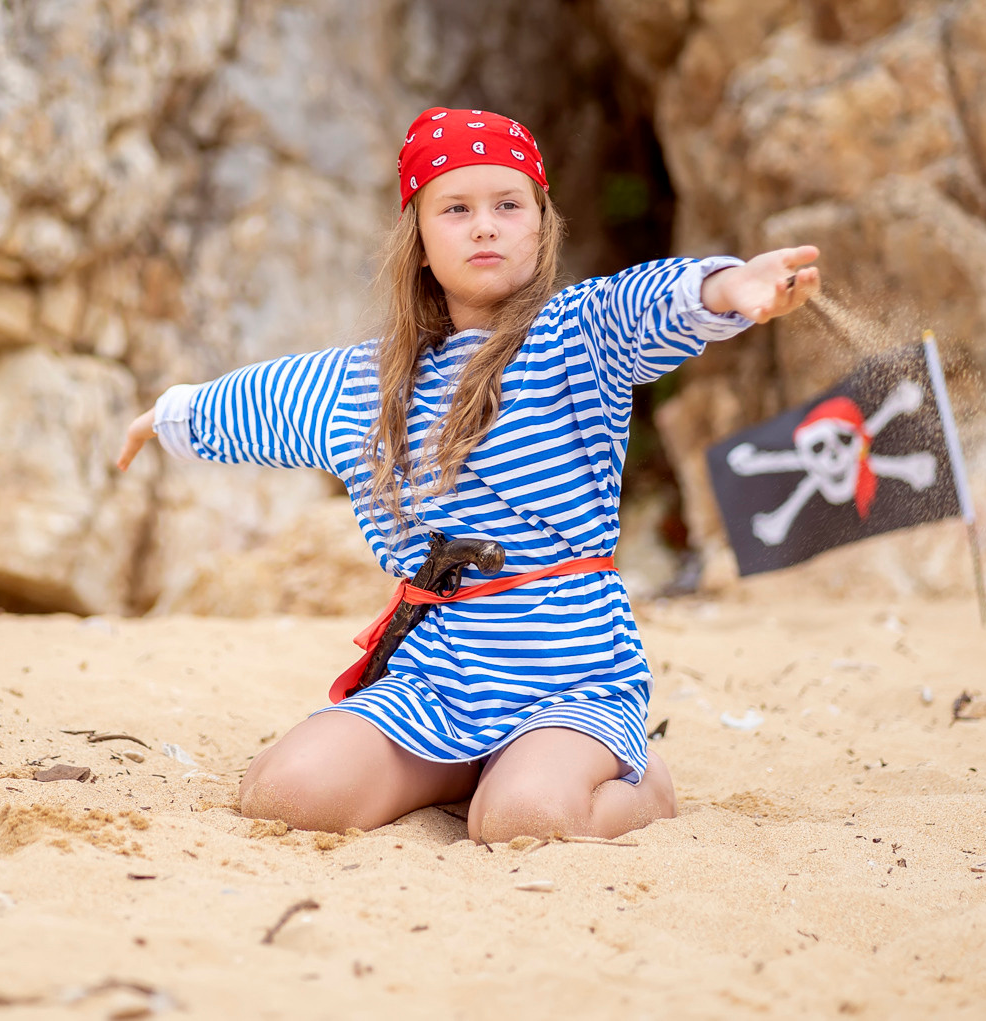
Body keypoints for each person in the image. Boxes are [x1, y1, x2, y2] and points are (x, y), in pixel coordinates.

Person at [116, 107, 819, 842]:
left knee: (522, 820)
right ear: (418, 239)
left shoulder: (574, 338)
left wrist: (727, 286)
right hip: (438, 679)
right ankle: (465, 764)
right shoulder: (364, 382)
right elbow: (260, 401)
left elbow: (643, 304)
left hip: (569, 676)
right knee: (285, 793)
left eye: (508, 205)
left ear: (541, 225)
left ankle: (641, 779)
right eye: (456, 208)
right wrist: (172, 417)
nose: (484, 225)